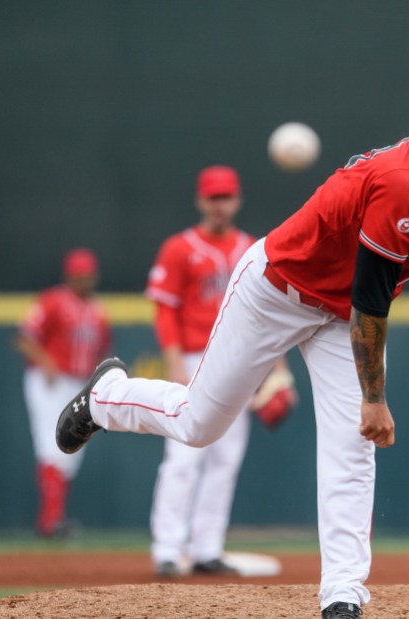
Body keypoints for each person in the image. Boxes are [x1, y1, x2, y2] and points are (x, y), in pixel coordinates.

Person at [56, 66, 409, 618]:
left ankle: (343, 593)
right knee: (199, 425)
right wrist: (374, 398)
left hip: (338, 309)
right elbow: (371, 301)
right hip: (277, 291)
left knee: (352, 447)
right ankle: (106, 397)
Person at [145, 165, 297, 577]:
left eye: (226, 197)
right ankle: (167, 548)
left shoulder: (252, 248)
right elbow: (164, 309)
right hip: (194, 359)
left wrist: (277, 371)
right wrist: (174, 362)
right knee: (183, 456)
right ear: (200, 200)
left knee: (225, 460)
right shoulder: (179, 248)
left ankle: (207, 548)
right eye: (213, 197)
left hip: (241, 362)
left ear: (237, 200)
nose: (219, 204)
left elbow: (270, 314)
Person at [16, 247, 111, 538]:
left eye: (87, 275)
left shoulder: (97, 311)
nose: (83, 280)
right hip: (50, 381)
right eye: (78, 275)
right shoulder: (53, 301)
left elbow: (102, 351)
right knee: (51, 445)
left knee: (71, 453)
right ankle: (51, 521)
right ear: (69, 276)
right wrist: (45, 361)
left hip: (79, 385)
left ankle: (53, 520)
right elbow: (24, 338)